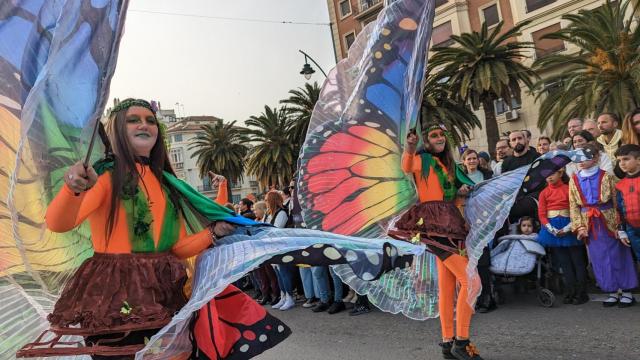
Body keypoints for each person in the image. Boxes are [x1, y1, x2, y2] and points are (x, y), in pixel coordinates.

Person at [36, 99, 277, 358]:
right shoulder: (105, 176)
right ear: (117, 128)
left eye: (151, 120)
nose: (144, 125)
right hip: (116, 296)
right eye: (134, 120)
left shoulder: (169, 184)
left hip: (165, 293)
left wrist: (213, 232)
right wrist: (74, 188)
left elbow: (177, 249)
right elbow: (58, 224)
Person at [393, 123, 482, 360]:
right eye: (434, 135)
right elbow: (406, 165)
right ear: (427, 141)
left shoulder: (449, 165)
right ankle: (461, 342)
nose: (439, 138)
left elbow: (451, 196)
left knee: (448, 287)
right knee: (472, 281)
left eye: (442, 135)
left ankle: (447, 342)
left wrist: (460, 192)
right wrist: (410, 146)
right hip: (434, 226)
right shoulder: (423, 160)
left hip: (451, 225)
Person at [568, 144, 638, 308]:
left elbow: (617, 201)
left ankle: (627, 291)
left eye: (586, 157)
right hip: (590, 223)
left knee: (619, 254)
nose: (582, 161)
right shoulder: (574, 179)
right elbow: (573, 205)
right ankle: (612, 291)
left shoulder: (607, 176)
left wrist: (620, 225)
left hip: (609, 220)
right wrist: (579, 226)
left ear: (596, 157)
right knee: (599, 257)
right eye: (579, 158)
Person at [536, 168, 589, 305]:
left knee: (577, 261)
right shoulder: (544, 193)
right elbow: (542, 214)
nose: (549, 176)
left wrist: (568, 227)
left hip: (570, 226)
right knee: (564, 263)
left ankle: (581, 292)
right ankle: (570, 291)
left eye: (552, 173)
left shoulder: (569, 188)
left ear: (560, 173)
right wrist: (551, 229)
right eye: (546, 174)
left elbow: (577, 209)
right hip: (553, 230)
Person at [461, 149, 495, 313]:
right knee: (470, 261)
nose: (472, 161)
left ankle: (487, 297)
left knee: (483, 260)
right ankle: (474, 297)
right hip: (467, 221)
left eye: (474, 158)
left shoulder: (488, 174)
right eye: (469, 159)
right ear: (464, 161)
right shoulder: (459, 178)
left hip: (484, 219)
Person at [265, 191, 296, 311]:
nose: (266, 202)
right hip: (273, 248)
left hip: (281, 248)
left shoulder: (281, 213)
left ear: (272, 200)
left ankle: (290, 297)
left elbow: (276, 230)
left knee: (284, 273)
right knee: (278, 274)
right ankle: (283, 296)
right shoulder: (270, 214)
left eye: (268, 200)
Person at [615, 144, 640, 264]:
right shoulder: (620, 185)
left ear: (638, 160)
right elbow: (618, 209)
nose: (622, 163)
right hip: (631, 228)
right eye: (619, 160)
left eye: (626, 159)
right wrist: (621, 230)